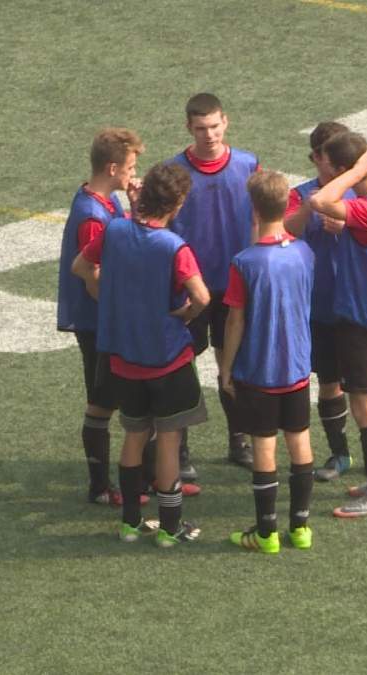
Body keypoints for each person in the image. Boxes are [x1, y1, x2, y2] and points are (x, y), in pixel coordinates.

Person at [72, 162, 209, 546]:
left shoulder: (115, 230)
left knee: (134, 435)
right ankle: (170, 527)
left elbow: (81, 266)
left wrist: (109, 297)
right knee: (167, 440)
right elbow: (201, 297)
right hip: (167, 358)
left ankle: (131, 523)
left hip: (124, 356)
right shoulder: (173, 246)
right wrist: (186, 315)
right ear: (178, 204)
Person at [307, 133, 367, 518]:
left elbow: (320, 200)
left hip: (360, 316)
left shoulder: (366, 209)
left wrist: (354, 172)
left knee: (363, 402)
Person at [220, 171, 317, 553]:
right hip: (296, 367)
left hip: (260, 370)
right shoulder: (305, 253)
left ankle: (266, 533)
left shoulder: (244, 262)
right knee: (300, 440)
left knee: (264, 446)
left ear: (254, 210)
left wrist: (226, 368)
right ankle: (301, 528)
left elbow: (235, 320)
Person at [167, 93, 260, 477]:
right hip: (190, 288)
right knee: (181, 367)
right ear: (189, 128)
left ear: (226, 122)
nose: (209, 134)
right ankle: (180, 448)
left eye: (214, 126)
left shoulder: (248, 164)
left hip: (234, 286)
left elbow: (260, 219)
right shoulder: (172, 171)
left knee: (232, 366)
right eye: (201, 128)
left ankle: (239, 440)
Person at [55, 127, 143, 506]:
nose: (133, 174)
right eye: (130, 167)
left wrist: (135, 207)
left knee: (109, 397)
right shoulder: (93, 215)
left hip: (103, 319)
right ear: (112, 168)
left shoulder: (103, 200)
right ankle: (100, 487)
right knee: (102, 401)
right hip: (98, 323)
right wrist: (117, 311)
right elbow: (93, 277)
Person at [283, 121, 355, 483]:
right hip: (316, 306)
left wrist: (347, 226)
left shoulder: (361, 194)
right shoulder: (300, 195)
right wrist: (312, 208)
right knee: (328, 381)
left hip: (356, 305)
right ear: (315, 157)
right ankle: (340, 453)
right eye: (331, 155)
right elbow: (287, 230)